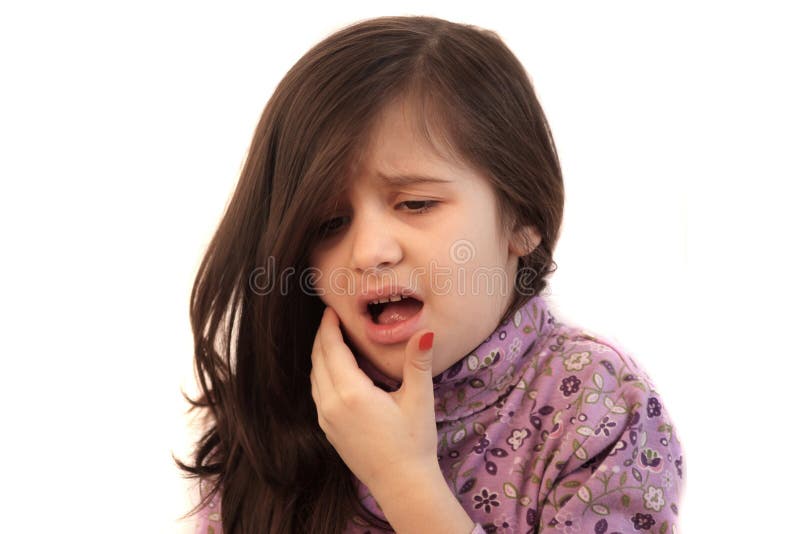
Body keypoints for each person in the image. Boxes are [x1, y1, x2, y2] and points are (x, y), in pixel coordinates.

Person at [179, 15, 684, 534]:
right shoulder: (270, 422)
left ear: (522, 217)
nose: (370, 250)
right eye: (329, 222)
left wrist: (403, 479)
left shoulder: (597, 407)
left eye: (416, 203)